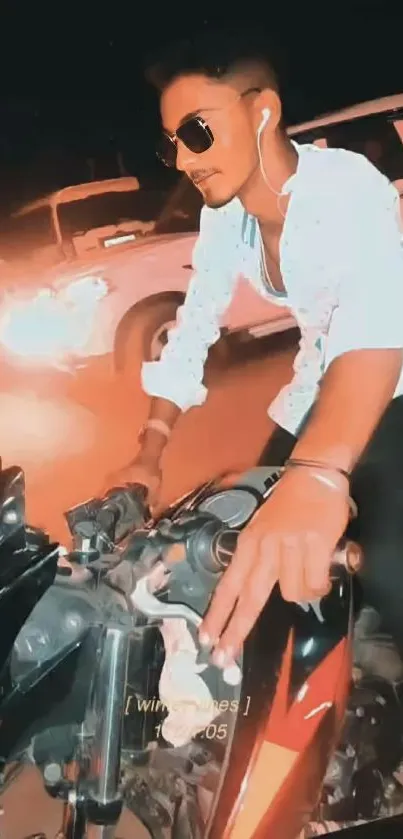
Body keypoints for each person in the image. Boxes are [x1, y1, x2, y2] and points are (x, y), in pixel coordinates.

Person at [111, 27, 403, 671]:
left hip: (390, 385)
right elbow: (193, 329)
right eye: (172, 145)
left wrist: (320, 474)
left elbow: (378, 319)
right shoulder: (226, 218)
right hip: (312, 395)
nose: (184, 160)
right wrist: (148, 455)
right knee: (242, 557)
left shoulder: (344, 186)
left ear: (262, 110)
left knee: (386, 578)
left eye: (197, 131)